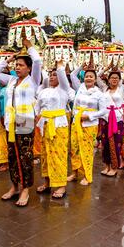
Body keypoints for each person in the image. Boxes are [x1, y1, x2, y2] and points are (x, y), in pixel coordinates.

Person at [0, 39, 42, 207]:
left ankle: (26, 189)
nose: (18, 67)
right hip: (11, 122)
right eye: (17, 65)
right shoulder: (12, 80)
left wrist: (29, 47)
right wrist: (10, 59)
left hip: (25, 121)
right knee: (12, 156)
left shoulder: (33, 80)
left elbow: (37, 61)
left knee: (25, 156)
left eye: (21, 65)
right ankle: (14, 186)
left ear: (28, 68)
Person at [35, 59, 75, 198]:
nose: (52, 77)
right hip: (45, 125)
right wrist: (37, 118)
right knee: (45, 156)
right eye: (50, 75)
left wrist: (59, 64)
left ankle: (61, 185)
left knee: (59, 155)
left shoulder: (65, 89)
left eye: (55, 75)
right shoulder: (43, 91)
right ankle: (47, 182)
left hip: (59, 125)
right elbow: (37, 108)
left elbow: (62, 75)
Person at [68, 64, 109, 186]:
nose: (89, 78)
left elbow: (103, 111)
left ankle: (87, 175)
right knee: (74, 149)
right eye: (86, 76)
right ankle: (75, 173)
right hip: (77, 123)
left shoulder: (99, 93)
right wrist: (81, 66)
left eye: (91, 76)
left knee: (87, 151)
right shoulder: (79, 88)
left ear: (95, 79)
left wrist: (89, 116)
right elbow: (72, 75)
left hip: (89, 125)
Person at [97, 64, 124, 177]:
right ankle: (106, 166)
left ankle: (114, 167)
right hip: (105, 118)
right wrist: (106, 68)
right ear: (108, 79)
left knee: (116, 144)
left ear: (119, 80)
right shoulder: (104, 89)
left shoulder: (122, 89)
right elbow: (97, 77)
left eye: (116, 78)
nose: (114, 80)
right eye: (112, 78)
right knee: (105, 144)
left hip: (117, 119)